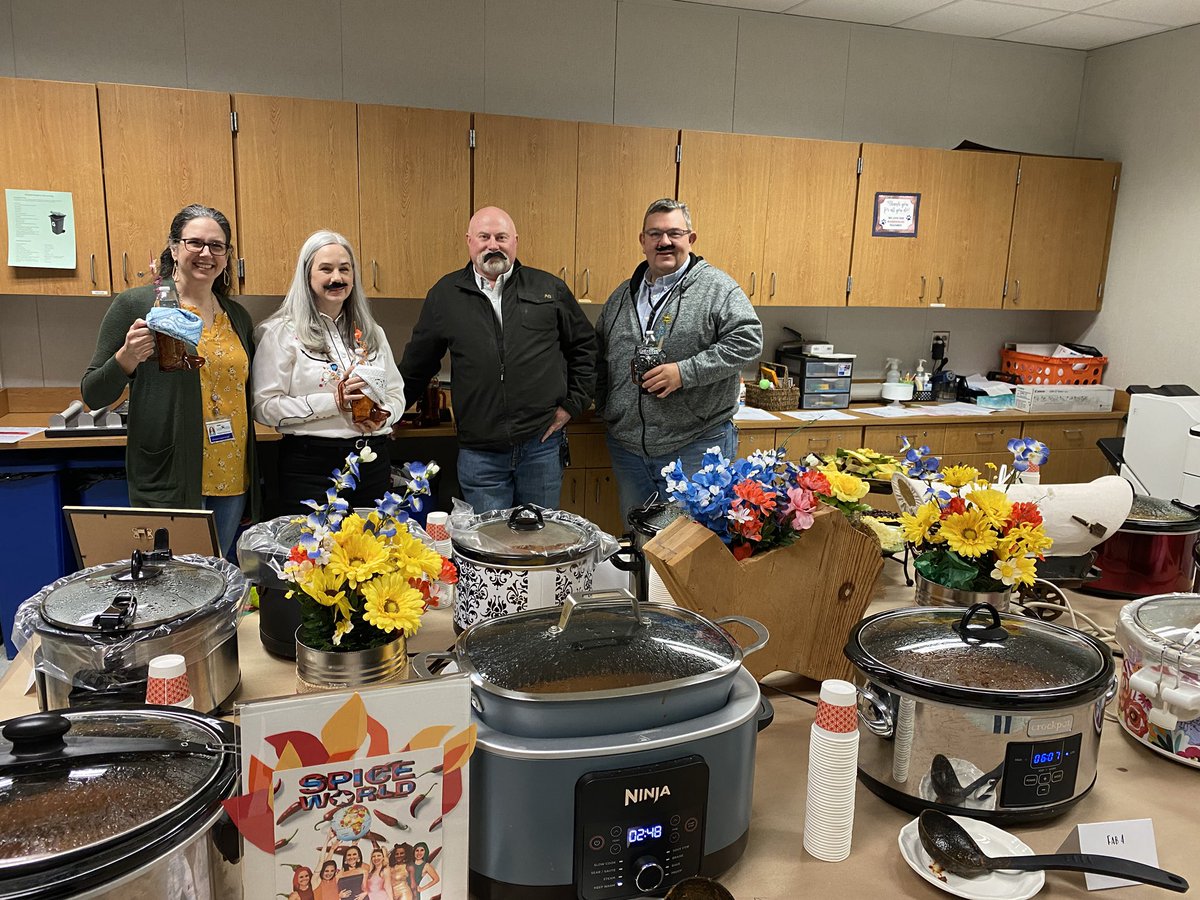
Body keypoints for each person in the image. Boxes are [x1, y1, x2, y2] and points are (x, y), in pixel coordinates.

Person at [82, 203, 259, 556]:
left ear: (227, 257)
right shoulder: (140, 305)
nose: (206, 253)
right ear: (174, 248)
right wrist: (126, 358)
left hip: (232, 476)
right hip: (171, 473)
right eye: (195, 243)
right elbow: (93, 393)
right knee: (172, 589)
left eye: (217, 246)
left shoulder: (236, 315)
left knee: (219, 582)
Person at [399, 206, 596, 512]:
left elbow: (585, 347)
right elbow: (418, 365)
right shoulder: (445, 295)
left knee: (538, 545)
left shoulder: (548, 289)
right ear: (469, 241)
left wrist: (573, 404)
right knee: (488, 547)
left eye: (501, 237)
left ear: (515, 241)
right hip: (480, 454)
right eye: (484, 236)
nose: (493, 245)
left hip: (540, 446)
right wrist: (390, 412)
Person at [594, 198, 763, 522]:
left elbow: (749, 340)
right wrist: (607, 409)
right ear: (643, 241)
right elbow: (601, 357)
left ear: (691, 238)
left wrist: (685, 373)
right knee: (639, 544)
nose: (665, 242)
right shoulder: (621, 296)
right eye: (655, 234)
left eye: (674, 233)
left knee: (688, 553)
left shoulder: (718, 288)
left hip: (694, 446)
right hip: (629, 449)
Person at [253, 231, 405, 516]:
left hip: (373, 462)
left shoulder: (372, 332)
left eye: (344, 269)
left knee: (375, 553)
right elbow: (264, 408)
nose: (337, 278)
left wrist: (383, 415)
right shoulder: (281, 333)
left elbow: (396, 392)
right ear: (307, 275)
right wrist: (333, 404)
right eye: (326, 269)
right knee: (316, 556)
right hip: (312, 468)